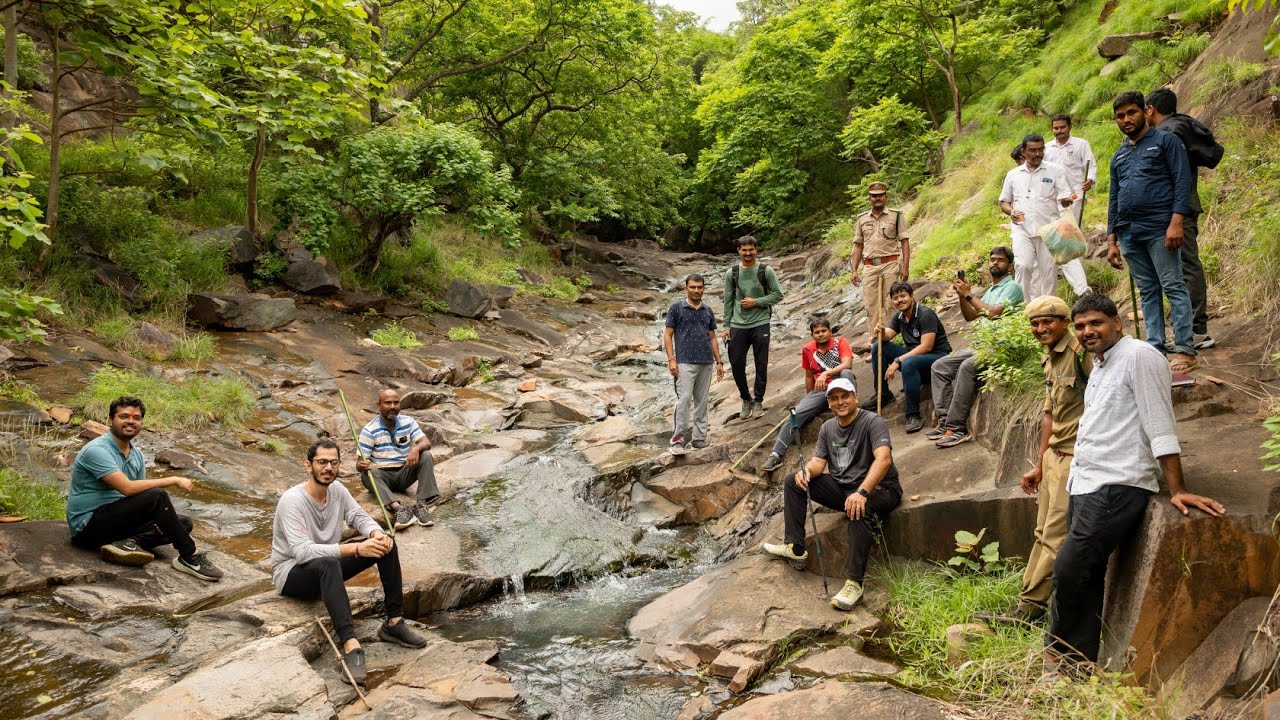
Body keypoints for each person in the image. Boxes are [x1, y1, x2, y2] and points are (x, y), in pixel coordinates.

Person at [1045, 293, 1224, 672]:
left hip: (1118, 484)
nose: (1087, 331)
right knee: (1086, 571)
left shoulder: (1140, 357)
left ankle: (1058, 652)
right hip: (1086, 481)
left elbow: (1159, 424)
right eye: (1080, 326)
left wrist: (1177, 489)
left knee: (1069, 568)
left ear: (1118, 322)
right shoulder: (1100, 364)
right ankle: (1076, 663)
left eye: (1096, 323)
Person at [761, 377, 903, 611]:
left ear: (855, 397)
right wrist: (807, 471)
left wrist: (862, 492)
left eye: (845, 396)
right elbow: (819, 462)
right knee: (792, 481)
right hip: (844, 487)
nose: (840, 402)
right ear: (828, 403)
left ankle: (854, 583)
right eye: (834, 398)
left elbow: (883, 459)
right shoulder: (828, 428)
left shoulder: (872, 421)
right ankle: (795, 548)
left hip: (880, 489)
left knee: (859, 507)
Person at [992, 296, 1092, 624]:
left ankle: (1029, 609)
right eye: (1035, 324)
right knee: (1040, 531)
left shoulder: (1082, 354)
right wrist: (1039, 462)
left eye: (1048, 321)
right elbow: (1049, 413)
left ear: (1065, 321)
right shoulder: (1049, 359)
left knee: (1054, 536)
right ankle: (1026, 600)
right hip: (1053, 458)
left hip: (1075, 458)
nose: (1040, 328)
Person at [67, 395, 224, 581]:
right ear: (111, 420)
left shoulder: (137, 455)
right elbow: (128, 489)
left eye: (136, 418)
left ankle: (127, 544)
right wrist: (172, 479)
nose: (130, 421)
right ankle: (189, 556)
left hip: (116, 525)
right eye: (124, 416)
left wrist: (159, 518)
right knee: (157, 495)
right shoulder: (97, 450)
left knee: (183, 523)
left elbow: (140, 497)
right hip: (88, 527)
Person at [1105, 90, 1198, 374]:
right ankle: (1155, 348)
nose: (1125, 120)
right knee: (1148, 290)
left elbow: (1182, 182)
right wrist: (1112, 239)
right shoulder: (1119, 155)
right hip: (1129, 233)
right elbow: (1114, 197)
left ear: (1145, 111)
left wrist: (1176, 222)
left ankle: (1184, 348)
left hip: (1160, 227)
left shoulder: (1166, 142)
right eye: (1120, 116)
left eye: (1131, 112)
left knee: (1173, 285)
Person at [1145, 88, 1221, 350]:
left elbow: (1173, 177)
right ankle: (1188, 326)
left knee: (1186, 264)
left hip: (1178, 211)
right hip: (1182, 208)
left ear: (1150, 109)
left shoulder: (1168, 133)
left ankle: (1197, 330)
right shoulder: (1180, 126)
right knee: (1183, 265)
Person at [928, 247, 1025, 448]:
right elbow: (971, 316)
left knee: (967, 367)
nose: (995, 263)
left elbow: (995, 313)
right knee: (939, 366)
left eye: (1000, 260)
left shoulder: (1013, 287)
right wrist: (962, 297)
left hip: (1001, 347)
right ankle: (945, 422)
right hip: (983, 345)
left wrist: (970, 295)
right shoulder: (991, 290)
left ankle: (957, 429)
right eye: (992, 259)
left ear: (1010, 265)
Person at [760, 316, 856, 472]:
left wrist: (826, 373)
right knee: (795, 415)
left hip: (841, 384)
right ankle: (776, 455)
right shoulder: (808, 349)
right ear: (812, 335)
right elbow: (809, 376)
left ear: (830, 332)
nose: (821, 334)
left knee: (847, 373)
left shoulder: (841, 342)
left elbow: (848, 364)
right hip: (822, 390)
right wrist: (809, 398)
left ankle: (852, 411)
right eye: (817, 332)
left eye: (824, 331)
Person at [862, 281, 952, 434]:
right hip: (916, 360)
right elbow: (888, 335)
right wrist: (881, 332)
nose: (900, 300)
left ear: (911, 296)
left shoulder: (925, 314)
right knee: (879, 347)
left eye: (903, 296)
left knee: (908, 362)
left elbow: (926, 346)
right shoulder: (899, 317)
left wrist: (898, 360)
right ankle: (884, 395)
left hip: (938, 359)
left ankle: (913, 415)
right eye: (895, 298)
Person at [1000, 133, 1076, 302]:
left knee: (1049, 272)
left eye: (1041, 150)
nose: (1037, 154)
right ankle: (1023, 309)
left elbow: (1065, 196)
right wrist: (1011, 211)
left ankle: (1049, 308)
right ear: (1023, 152)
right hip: (1022, 229)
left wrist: (1066, 201)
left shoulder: (1055, 170)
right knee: (1023, 266)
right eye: (1032, 151)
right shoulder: (1013, 174)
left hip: (1049, 229)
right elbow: (1004, 201)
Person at [356, 389, 439, 530]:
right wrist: (362, 465)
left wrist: (415, 449)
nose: (393, 406)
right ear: (379, 405)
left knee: (425, 455)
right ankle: (399, 509)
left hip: (404, 473)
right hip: (383, 477)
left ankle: (422, 505)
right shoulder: (369, 430)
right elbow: (358, 464)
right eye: (388, 403)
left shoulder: (408, 422)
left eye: (396, 402)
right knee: (367, 474)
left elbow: (426, 443)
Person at [722, 235, 784, 420]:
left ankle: (758, 400)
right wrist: (726, 325)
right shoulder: (731, 273)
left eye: (751, 250)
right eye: (744, 250)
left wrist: (756, 302)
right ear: (739, 251)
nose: (748, 253)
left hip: (760, 322)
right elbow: (728, 300)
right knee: (737, 363)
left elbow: (778, 295)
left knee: (761, 363)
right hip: (737, 324)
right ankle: (745, 398)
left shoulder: (766, 271)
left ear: (756, 250)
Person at [664, 273, 725, 455]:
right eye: (693, 287)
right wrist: (671, 359)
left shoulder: (707, 310)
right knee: (683, 401)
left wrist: (719, 361)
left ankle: (699, 438)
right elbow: (668, 334)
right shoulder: (676, 308)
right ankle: (677, 440)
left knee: (702, 402)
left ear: (703, 289)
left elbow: (712, 337)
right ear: (686, 288)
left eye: (700, 287)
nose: (696, 290)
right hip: (684, 362)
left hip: (706, 363)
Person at [849, 181, 911, 345]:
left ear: (886, 197)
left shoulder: (896, 216)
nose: (877, 198)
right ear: (869, 198)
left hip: (890, 264)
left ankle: (891, 340)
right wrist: (854, 269)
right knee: (871, 305)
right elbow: (858, 245)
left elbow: (904, 241)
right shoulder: (862, 219)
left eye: (880, 195)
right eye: (874, 196)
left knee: (891, 303)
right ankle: (876, 342)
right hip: (869, 266)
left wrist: (905, 267)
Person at [1044, 114, 1097, 297]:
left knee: (1075, 233)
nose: (1059, 131)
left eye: (1062, 128)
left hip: (1075, 195)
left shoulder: (1081, 144)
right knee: (1059, 235)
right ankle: (1064, 270)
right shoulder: (1046, 148)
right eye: (1055, 128)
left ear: (1070, 127)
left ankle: (1077, 270)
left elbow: (1091, 166)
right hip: (1054, 198)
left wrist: (1090, 180)